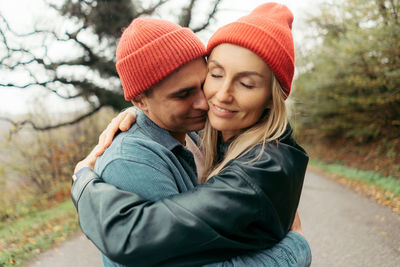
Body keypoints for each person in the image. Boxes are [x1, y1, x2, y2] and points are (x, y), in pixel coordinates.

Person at [72, 3, 310, 267]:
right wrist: (294, 248)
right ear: (141, 101)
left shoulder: (250, 161)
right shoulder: (133, 161)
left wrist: (82, 177)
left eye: (246, 83)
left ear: (271, 97)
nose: (208, 101)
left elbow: (136, 236)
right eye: (216, 75)